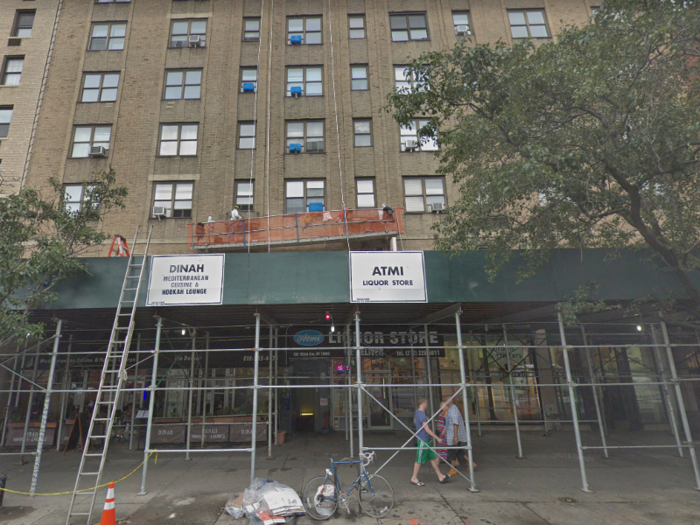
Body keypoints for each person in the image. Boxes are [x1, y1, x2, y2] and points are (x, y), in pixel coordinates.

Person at [411, 397, 449, 486]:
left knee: (432, 458)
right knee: (419, 460)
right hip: (423, 440)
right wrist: (437, 438)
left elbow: (415, 421)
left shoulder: (418, 412)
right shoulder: (422, 415)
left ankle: (440, 476)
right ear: (423, 403)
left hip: (426, 440)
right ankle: (414, 477)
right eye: (427, 403)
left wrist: (424, 420)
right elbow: (427, 429)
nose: (427, 405)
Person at [444, 395, 476, 473]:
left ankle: (452, 468)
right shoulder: (452, 408)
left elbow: (456, 423)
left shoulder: (453, 410)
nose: (445, 402)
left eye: (446, 400)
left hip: (453, 434)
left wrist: (455, 437)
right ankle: (471, 463)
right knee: (459, 451)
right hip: (453, 434)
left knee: (451, 451)